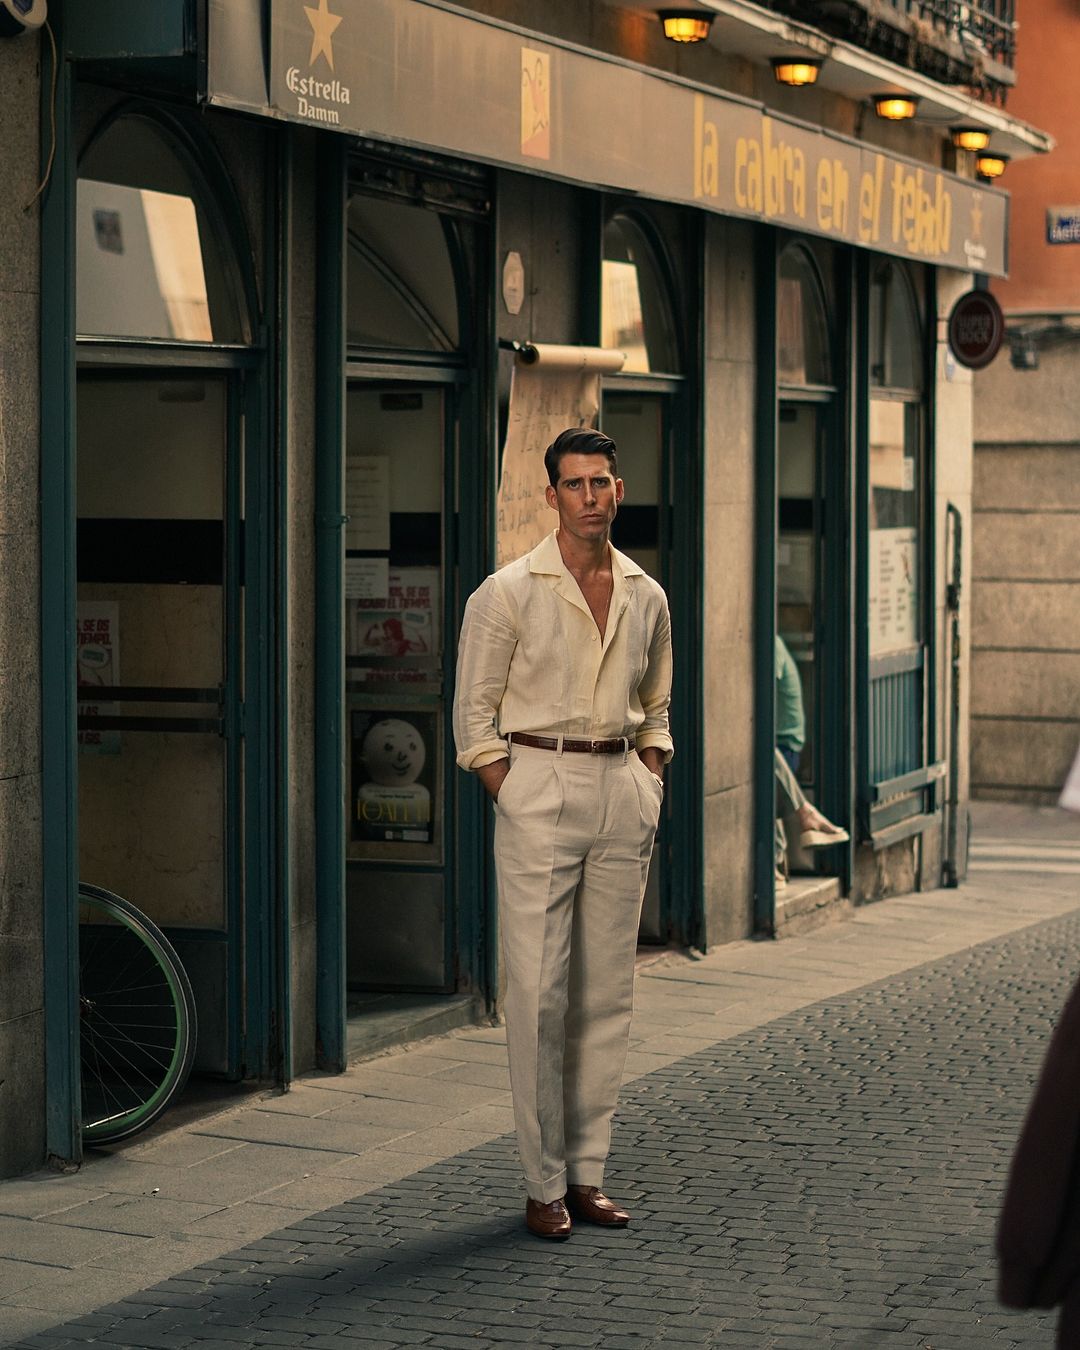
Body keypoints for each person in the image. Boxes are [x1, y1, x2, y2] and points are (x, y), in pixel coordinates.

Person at [453, 426, 672, 1241]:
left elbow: (658, 702)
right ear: (551, 496)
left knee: (606, 995)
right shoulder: (505, 593)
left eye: (601, 483)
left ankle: (587, 1177)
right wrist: (514, 794)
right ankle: (541, 1184)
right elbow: (472, 720)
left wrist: (650, 771)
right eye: (574, 484)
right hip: (539, 784)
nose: (589, 496)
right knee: (540, 997)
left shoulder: (646, 592)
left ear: (619, 491)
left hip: (620, 787)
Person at [774, 636, 846, 883]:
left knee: (762, 751)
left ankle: (777, 857)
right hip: (780, 743)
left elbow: (758, 695)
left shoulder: (771, 645)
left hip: (785, 745)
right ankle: (778, 858)